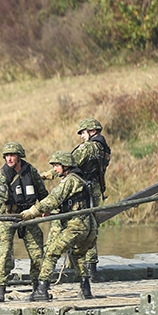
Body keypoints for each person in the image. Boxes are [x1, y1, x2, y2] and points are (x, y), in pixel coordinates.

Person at [20, 151, 98, 300]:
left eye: (57, 166)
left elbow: (54, 199)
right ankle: (86, 289)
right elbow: (72, 203)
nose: (55, 169)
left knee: (50, 252)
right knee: (78, 255)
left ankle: (42, 290)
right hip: (90, 227)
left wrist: (32, 211)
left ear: (66, 166)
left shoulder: (69, 181)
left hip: (76, 226)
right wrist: (51, 211)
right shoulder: (81, 180)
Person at [0, 142, 48, 302]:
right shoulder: (2, 174)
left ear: (19, 156)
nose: (9, 158)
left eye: (12, 155)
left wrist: (45, 208)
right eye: (7, 156)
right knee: (4, 253)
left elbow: (42, 192)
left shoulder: (31, 171)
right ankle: (0, 290)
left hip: (28, 215)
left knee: (37, 253)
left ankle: (38, 288)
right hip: (8, 215)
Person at [70, 118, 112, 280]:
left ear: (92, 131)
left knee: (82, 226)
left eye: (83, 132)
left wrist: (49, 174)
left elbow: (69, 163)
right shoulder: (103, 147)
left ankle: (87, 267)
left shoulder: (88, 148)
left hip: (84, 191)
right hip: (95, 189)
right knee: (91, 226)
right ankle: (89, 267)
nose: (81, 136)